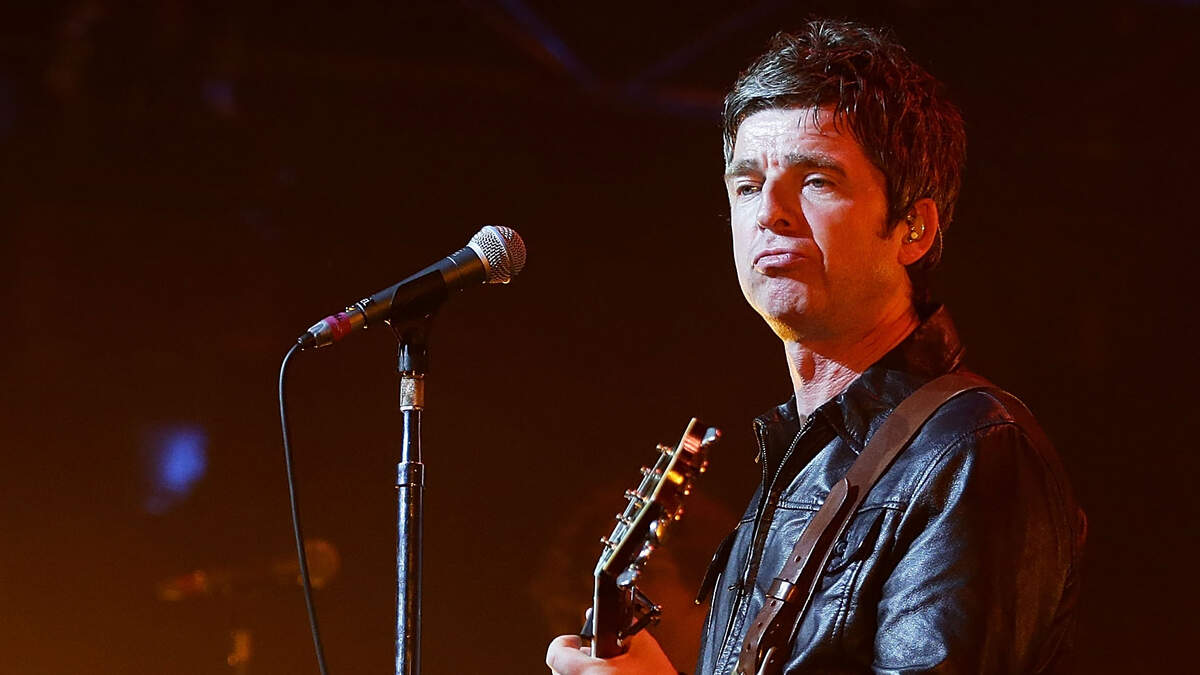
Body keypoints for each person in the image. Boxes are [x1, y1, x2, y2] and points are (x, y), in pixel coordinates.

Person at [547, 18, 1085, 675]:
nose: (769, 211)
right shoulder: (800, 459)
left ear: (913, 227)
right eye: (747, 186)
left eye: (816, 181)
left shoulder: (972, 449)